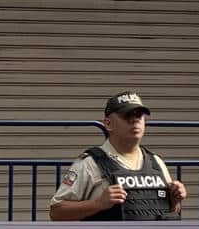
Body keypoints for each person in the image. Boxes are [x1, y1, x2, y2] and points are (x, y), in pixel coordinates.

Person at [49, 92, 186, 221]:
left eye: (139, 115)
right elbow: (56, 212)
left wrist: (175, 200)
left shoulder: (156, 162)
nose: (134, 120)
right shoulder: (90, 163)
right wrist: (97, 204)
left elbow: (170, 213)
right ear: (108, 124)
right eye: (127, 115)